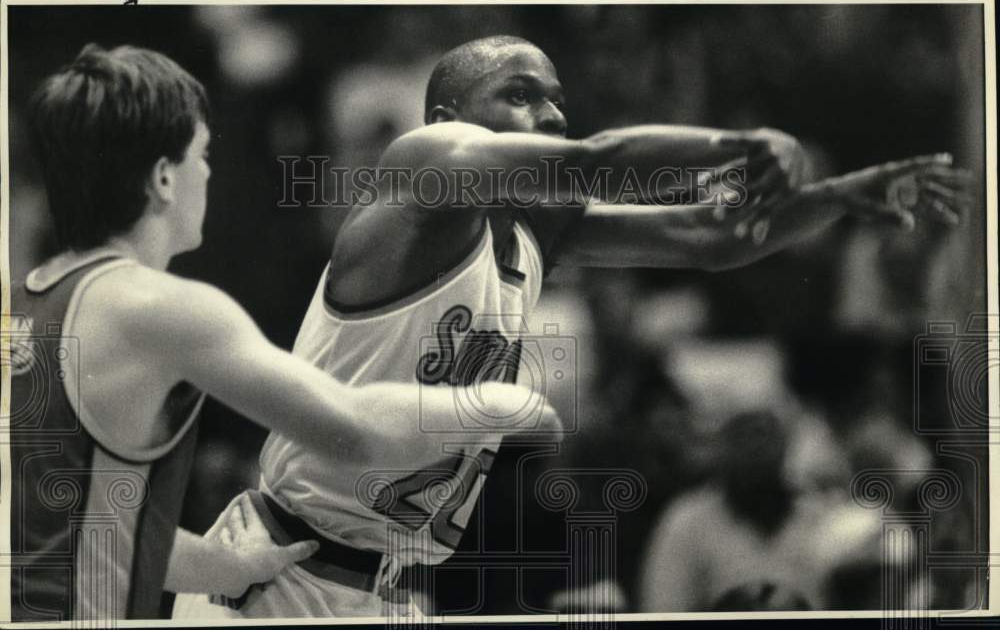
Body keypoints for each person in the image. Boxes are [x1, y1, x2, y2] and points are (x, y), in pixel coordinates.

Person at [177, 35, 971, 618]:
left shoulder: (535, 229)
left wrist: (836, 197)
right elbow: (591, 159)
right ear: (451, 112)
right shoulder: (427, 163)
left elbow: (709, 236)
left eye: (555, 96)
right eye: (520, 93)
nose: (549, 111)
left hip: (387, 579)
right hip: (282, 565)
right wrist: (735, 145)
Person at [7, 43, 557, 622]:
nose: (210, 171)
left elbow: (79, 523)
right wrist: (495, 404)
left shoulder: (23, 301)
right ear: (164, 178)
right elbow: (349, 428)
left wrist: (223, 568)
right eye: (202, 153)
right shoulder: (160, 309)